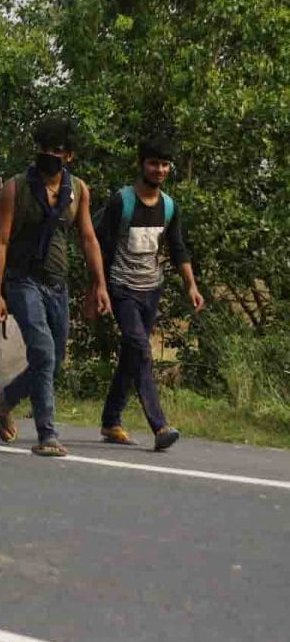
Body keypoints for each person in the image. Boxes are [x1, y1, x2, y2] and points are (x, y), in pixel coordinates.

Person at [0, 117, 112, 457]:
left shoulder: (78, 191)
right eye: (43, 149)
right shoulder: (16, 188)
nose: (48, 155)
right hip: (22, 281)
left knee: (53, 361)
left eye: (56, 151)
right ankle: (47, 434)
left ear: (68, 155)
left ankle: (4, 399)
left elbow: (87, 237)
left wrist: (98, 284)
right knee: (42, 352)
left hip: (58, 284)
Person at [97, 135, 204, 451]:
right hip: (122, 287)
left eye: (164, 164)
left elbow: (177, 248)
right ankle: (160, 426)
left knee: (132, 354)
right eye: (153, 163)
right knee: (141, 348)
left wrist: (191, 286)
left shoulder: (170, 206)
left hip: (151, 289)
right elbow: (99, 248)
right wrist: (98, 288)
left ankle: (110, 420)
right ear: (141, 164)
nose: (159, 170)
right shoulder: (122, 201)